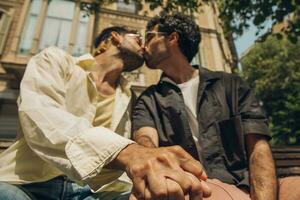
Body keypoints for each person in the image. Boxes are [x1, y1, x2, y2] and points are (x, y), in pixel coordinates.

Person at [0, 26, 211, 200]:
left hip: (92, 192)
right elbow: (40, 116)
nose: (145, 45)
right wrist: (130, 153)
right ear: (115, 38)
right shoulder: (55, 60)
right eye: (138, 38)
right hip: (25, 182)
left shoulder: (131, 98)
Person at [132, 12, 300, 200]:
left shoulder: (232, 85)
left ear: (172, 38)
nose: (143, 45)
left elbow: (258, 149)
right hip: (198, 189)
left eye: (149, 37)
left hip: (247, 185)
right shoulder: (147, 100)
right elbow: (145, 141)